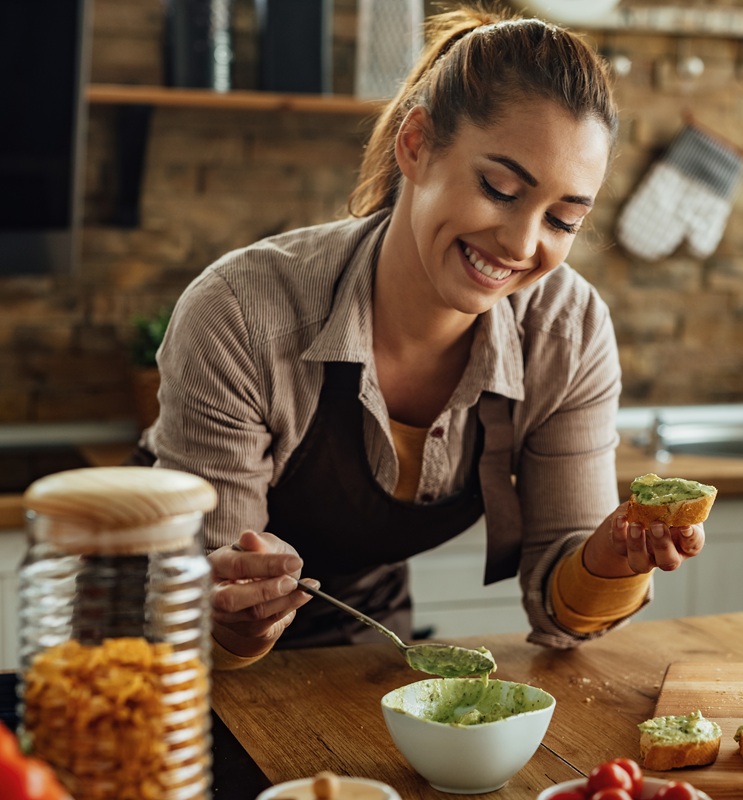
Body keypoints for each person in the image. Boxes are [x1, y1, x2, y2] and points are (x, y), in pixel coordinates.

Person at [137, 5, 706, 667]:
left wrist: (611, 559)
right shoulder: (242, 313)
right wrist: (238, 612)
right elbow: (202, 601)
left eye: (562, 220)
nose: (522, 244)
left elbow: (565, 609)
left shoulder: (566, 332)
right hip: (169, 649)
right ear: (416, 145)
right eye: (499, 189)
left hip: (363, 638)